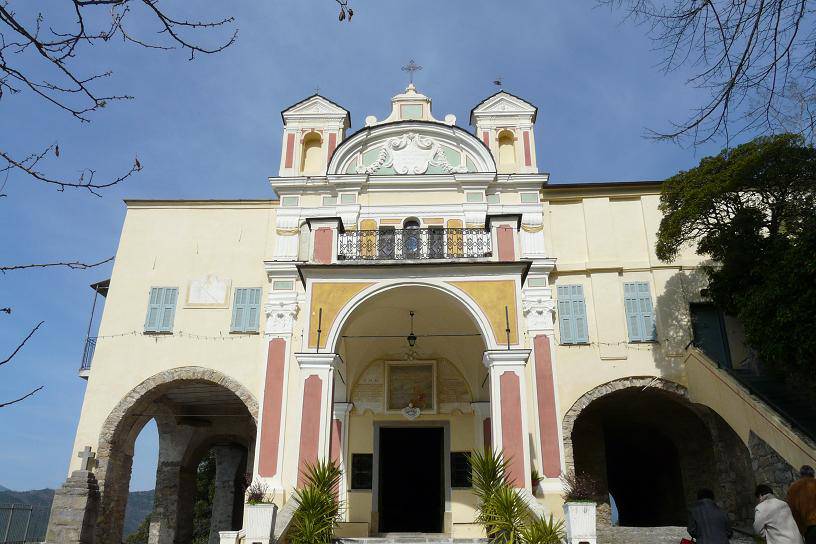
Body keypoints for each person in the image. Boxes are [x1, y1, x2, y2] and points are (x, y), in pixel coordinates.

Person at [787, 465, 816, 544]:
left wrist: (801, 530)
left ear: (801, 474)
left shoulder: (793, 489)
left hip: (809, 529)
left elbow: (793, 512)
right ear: (813, 474)